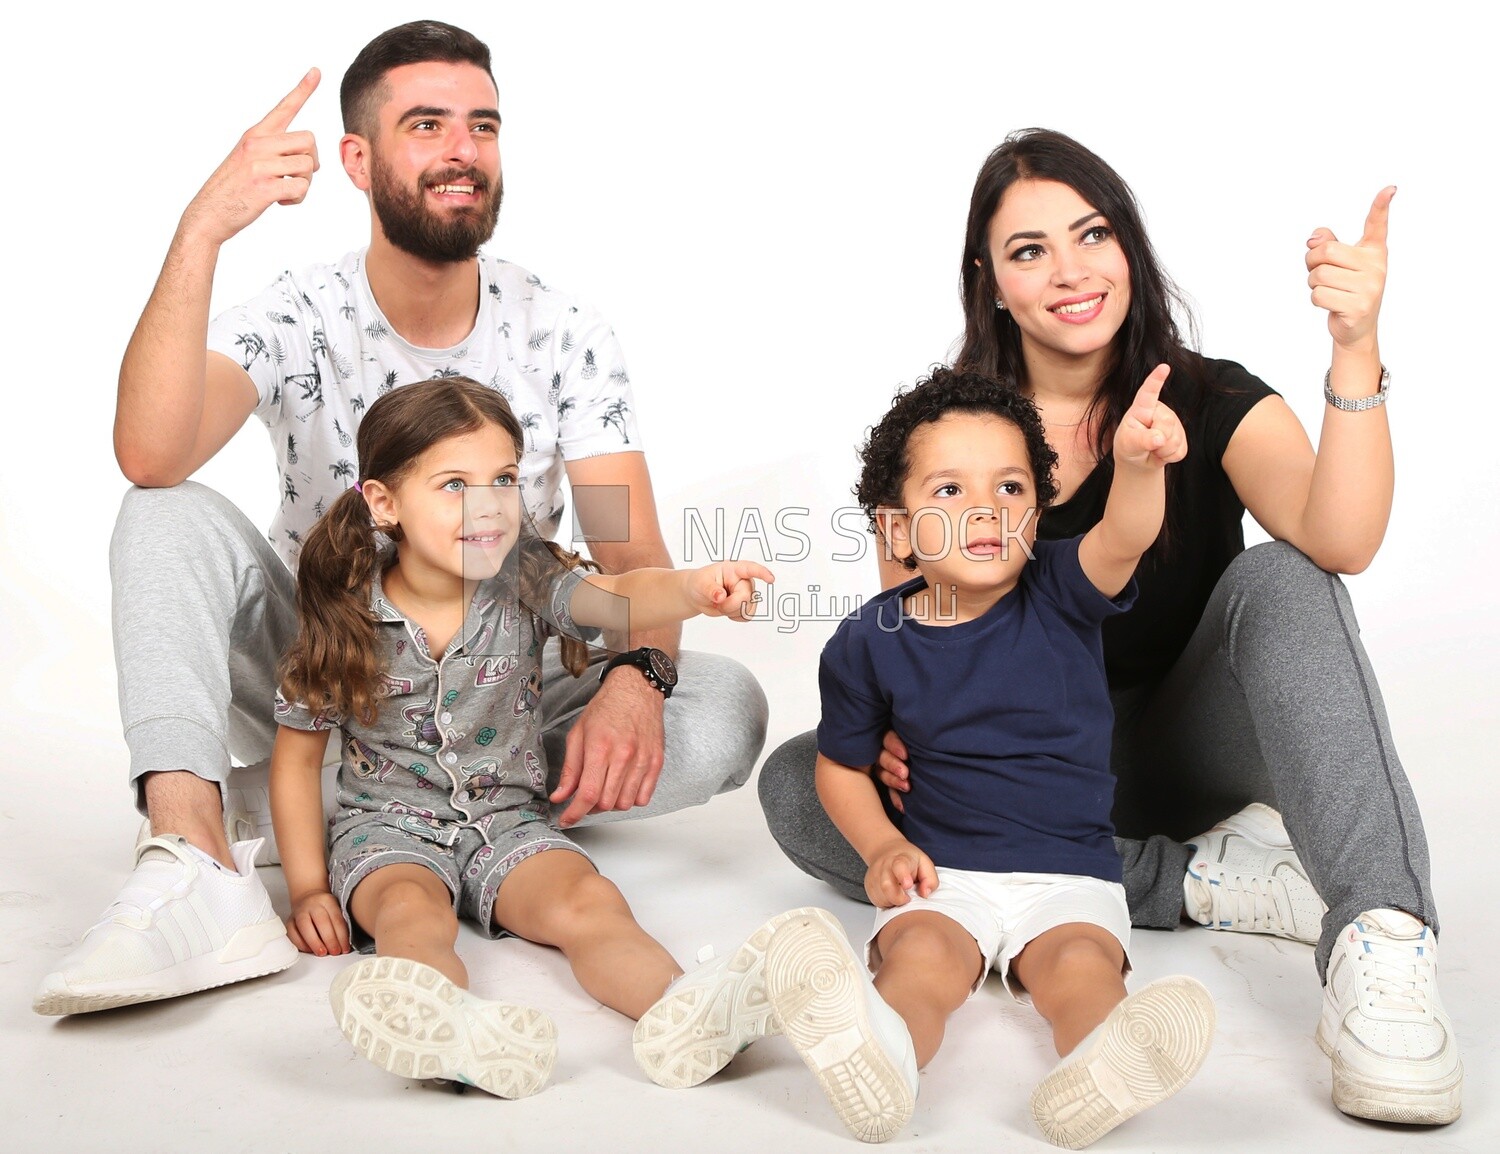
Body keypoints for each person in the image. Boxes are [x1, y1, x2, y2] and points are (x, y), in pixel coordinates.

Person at [35, 19, 767, 1016]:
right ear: (358, 157)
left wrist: (640, 676)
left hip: (502, 685)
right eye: (426, 125)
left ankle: (327, 805)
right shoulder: (300, 315)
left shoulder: (566, 335)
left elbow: (637, 565)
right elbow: (148, 451)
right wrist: (201, 228)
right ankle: (195, 849)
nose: (462, 148)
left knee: (719, 707)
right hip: (326, 665)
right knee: (161, 510)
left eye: (482, 125)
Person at [756, 128, 1461, 1127]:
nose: (1070, 271)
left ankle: (1382, 937)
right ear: (990, 279)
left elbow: (1342, 538)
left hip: (1189, 742)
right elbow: (916, 622)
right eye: (1030, 250)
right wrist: (901, 732)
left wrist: (1354, 348)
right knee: (801, 781)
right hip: (1027, 781)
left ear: (1129, 246)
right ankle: (1204, 879)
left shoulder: (1207, 399)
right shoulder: (955, 435)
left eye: (1091, 235)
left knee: (1290, 579)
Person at [271, 376, 778, 1095]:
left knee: (590, 904)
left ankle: (686, 1011)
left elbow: (616, 597)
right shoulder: (345, 613)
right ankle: (448, 1031)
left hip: (509, 822)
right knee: (410, 916)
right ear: (385, 504)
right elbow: (296, 763)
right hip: (387, 829)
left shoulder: (523, 572)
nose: (488, 506)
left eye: (503, 479)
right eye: (454, 484)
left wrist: (692, 588)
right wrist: (308, 889)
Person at [744, 369, 1212, 1147]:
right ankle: (885, 1060)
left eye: (1011, 488)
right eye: (951, 492)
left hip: (1069, 873)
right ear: (896, 532)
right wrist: (882, 846)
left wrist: (1138, 466)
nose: (987, 510)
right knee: (920, 963)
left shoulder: (1063, 586)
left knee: (1081, 968)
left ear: (1038, 510)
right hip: (942, 872)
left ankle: (1101, 1066)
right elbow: (840, 766)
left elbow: (1125, 535)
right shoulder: (869, 641)